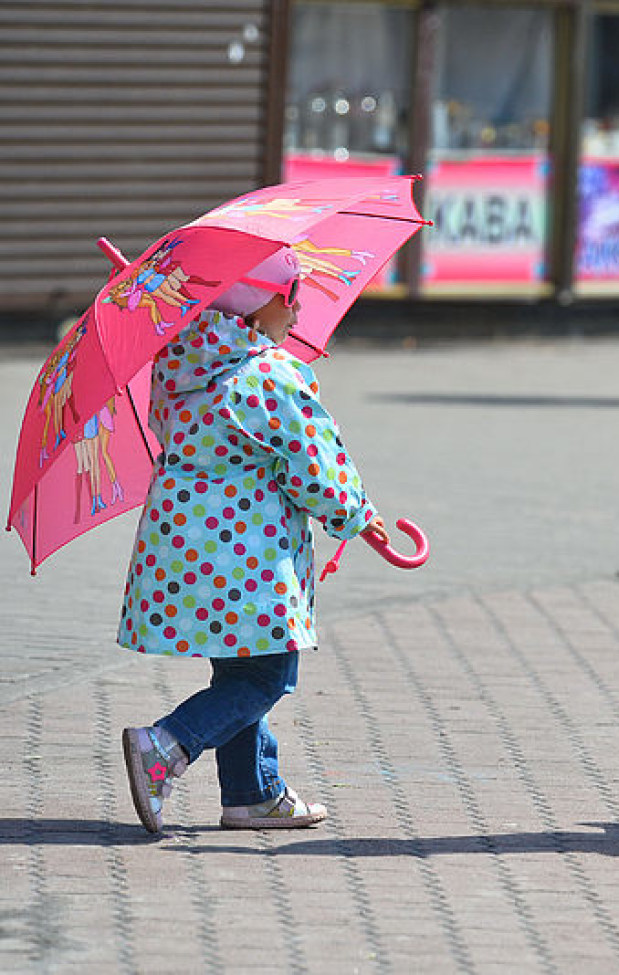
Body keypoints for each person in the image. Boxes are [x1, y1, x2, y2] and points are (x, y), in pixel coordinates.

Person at [119, 248, 390, 834]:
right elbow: (313, 465)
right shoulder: (268, 374)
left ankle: (252, 793)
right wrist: (358, 517)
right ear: (263, 301)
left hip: (184, 549)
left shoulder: (178, 366)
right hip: (251, 558)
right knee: (267, 679)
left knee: (239, 675)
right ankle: (166, 744)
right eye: (292, 297)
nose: (297, 312)